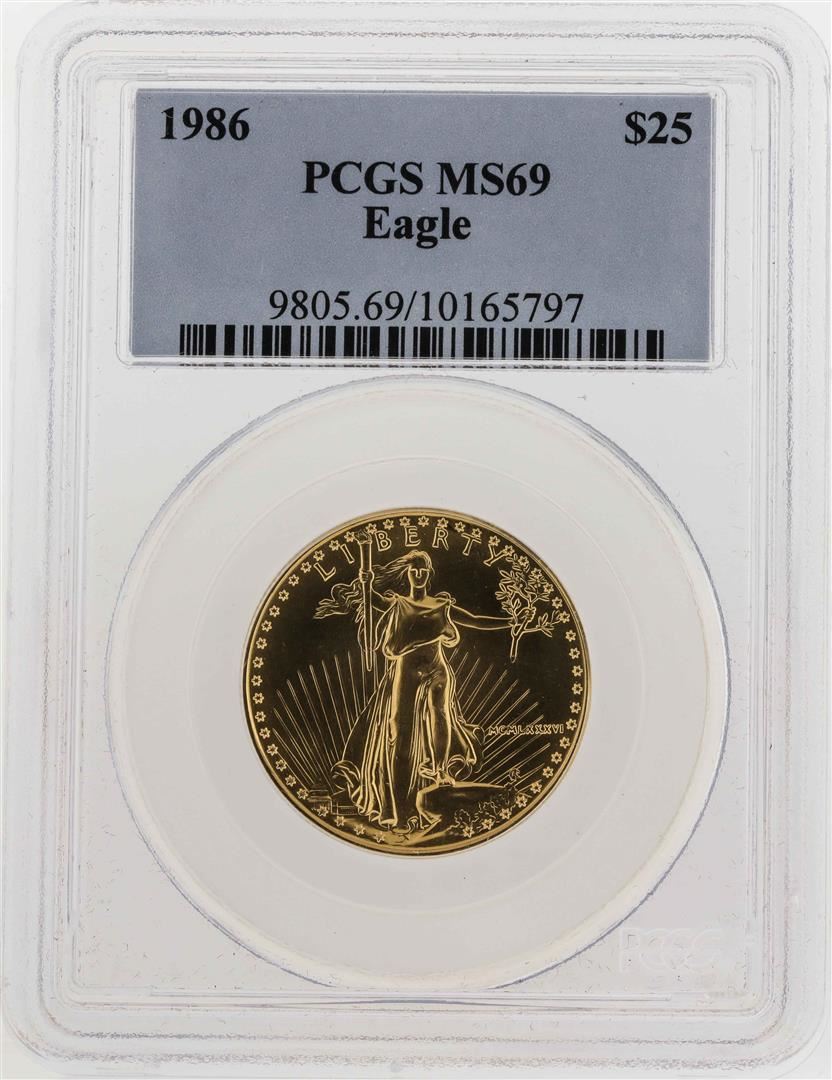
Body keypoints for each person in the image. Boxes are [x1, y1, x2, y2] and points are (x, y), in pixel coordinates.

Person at [315, 550, 513, 830]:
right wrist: (366, 582)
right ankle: (398, 803)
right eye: (414, 570)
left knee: (441, 715)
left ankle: (440, 771)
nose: (418, 574)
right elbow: (373, 599)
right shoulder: (399, 604)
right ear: (408, 574)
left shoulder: (441, 605)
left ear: (429, 575)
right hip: (406, 671)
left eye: (423, 570)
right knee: (399, 729)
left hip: (437, 668)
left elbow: (475, 620)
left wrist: (511, 623)